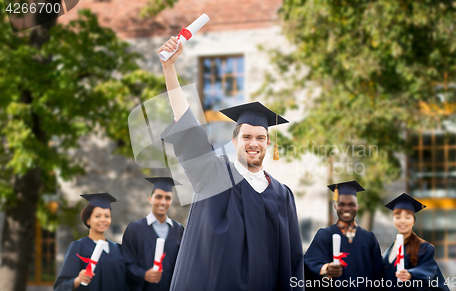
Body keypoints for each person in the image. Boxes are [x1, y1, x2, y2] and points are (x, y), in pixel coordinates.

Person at [156, 36, 304, 291]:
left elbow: (292, 261)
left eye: (260, 138)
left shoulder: (282, 194)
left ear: (268, 143)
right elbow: (188, 127)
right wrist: (169, 69)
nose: (253, 143)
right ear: (234, 141)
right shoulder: (213, 174)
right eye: (246, 137)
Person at [304, 181, 383, 290]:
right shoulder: (324, 235)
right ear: (336, 206)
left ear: (357, 207)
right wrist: (325, 270)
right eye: (342, 204)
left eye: (351, 204)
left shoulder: (369, 238)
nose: (346, 208)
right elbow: (309, 264)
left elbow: (378, 274)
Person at [122, 176, 184, 291]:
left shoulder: (179, 229)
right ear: (150, 199)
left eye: (168, 198)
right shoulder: (135, 229)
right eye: (159, 197)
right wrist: (143, 274)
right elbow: (126, 263)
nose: (163, 202)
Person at [54, 193, 127, 291]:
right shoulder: (78, 247)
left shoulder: (118, 248)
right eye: (97, 216)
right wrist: (78, 280)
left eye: (107, 216)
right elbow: (60, 287)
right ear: (88, 220)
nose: (103, 220)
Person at [382, 193, 449, 290]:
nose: (402, 221)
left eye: (408, 217)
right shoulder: (390, 249)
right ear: (393, 219)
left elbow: (428, 270)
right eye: (398, 217)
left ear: (413, 221)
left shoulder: (424, 248)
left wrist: (410, 274)